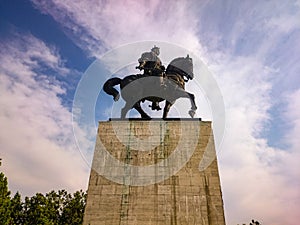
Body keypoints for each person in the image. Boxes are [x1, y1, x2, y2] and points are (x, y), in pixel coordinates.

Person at [136, 46, 165, 110]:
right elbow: (145, 60)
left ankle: (156, 101)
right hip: (150, 72)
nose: (158, 52)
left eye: (158, 51)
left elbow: (159, 66)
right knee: (160, 77)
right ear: (154, 50)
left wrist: (162, 67)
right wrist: (142, 65)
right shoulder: (150, 54)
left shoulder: (158, 59)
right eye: (157, 50)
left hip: (156, 72)